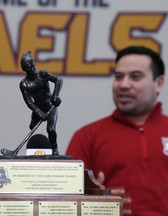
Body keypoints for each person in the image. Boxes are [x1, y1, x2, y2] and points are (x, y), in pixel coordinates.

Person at [66, 46, 167, 215]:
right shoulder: (87, 136)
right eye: (118, 77)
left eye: (135, 77)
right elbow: (64, 203)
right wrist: (92, 204)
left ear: (159, 83)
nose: (123, 84)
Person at [19, 51, 63, 155]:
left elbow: (59, 80)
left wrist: (55, 95)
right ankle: (34, 119)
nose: (32, 69)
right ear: (24, 69)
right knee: (32, 127)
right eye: (29, 68)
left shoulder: (43, 74)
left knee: (51, 129)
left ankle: (55, 150)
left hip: (50, 105)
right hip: (38, 107)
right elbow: (29, 102)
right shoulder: (24, 84)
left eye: (33, 66)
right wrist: (39, 113)